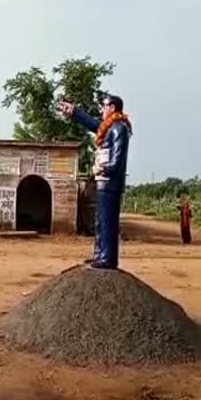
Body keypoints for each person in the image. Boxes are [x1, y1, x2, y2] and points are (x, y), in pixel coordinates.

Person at [58, 92, 132, 270]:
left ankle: (108, 257)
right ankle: (99, 254)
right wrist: (74, 112)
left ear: (112, 107)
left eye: (104, 106)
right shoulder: (107, 128)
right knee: (99, 220)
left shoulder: (118, 129)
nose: (101, 109)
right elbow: (92, 124)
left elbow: (117, 158)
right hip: (102, 182)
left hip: (110, 183)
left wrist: (104, 168)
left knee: (108, 221)